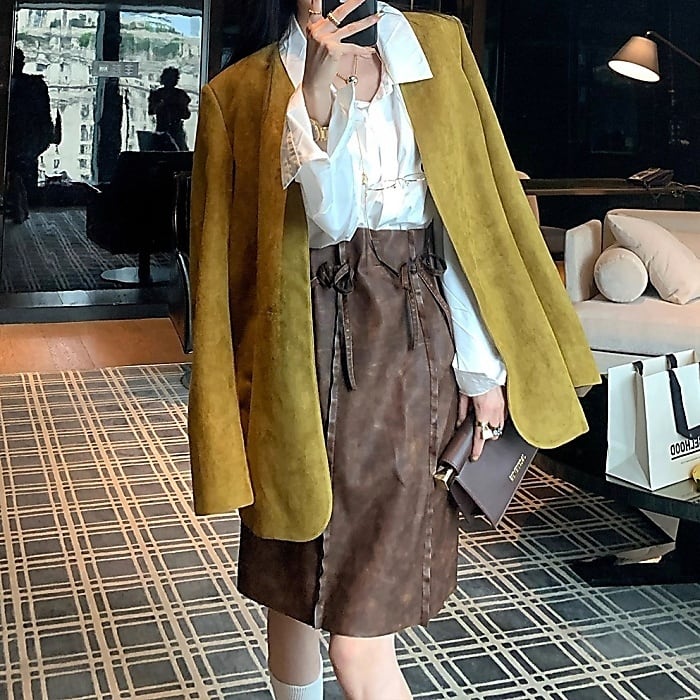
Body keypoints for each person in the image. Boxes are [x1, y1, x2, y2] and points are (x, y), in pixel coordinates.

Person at [188, 1, 600, 698]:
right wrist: (316, 98)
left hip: (409, 354)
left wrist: (480, 369)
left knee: (360, 629)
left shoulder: (437, 46)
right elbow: (321, 226)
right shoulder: (241, 90)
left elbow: (466, 221)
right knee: (291, 578)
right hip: (297, 361)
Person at [6, 47, 54, 223]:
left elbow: (43, 120)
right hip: (23, 143)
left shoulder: (34, 86)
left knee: (20, 173)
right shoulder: (34, 86)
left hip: (24, 143)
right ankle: (18, 204)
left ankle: (18, 203)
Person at [148, 67, 191, 151]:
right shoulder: (158, 94)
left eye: (173, 78)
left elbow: (186, 115)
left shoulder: (179, 94)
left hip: (174, 132)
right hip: (163, 132)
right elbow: (151, 111)